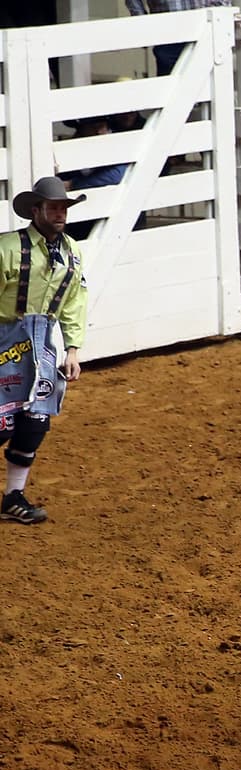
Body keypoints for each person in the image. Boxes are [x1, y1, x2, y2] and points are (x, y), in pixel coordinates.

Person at [0, 178, 90, 524]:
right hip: (6, 336)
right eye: (53, 207)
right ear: (35, 211)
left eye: (64, 208)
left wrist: (72, 347)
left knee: (35, 421)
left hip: (42, 344)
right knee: (2, 422)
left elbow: (75, 301)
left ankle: (12, 496)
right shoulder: (8, 248)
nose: (60, 214)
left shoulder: (72, 252)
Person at [58, 116, 129, 241]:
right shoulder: (73, 149)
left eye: (99, 127)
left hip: (114, 215)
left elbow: (115, 176)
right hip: (80, 218)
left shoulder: (119, 144)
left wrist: (73, 184)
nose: (97, 131)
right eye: (90, 127)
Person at [124, 0, 232, 77]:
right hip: (167, 35)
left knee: (213, 93)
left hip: (207, 29)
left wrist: (222, 11)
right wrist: (145, 27)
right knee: (171, 95)